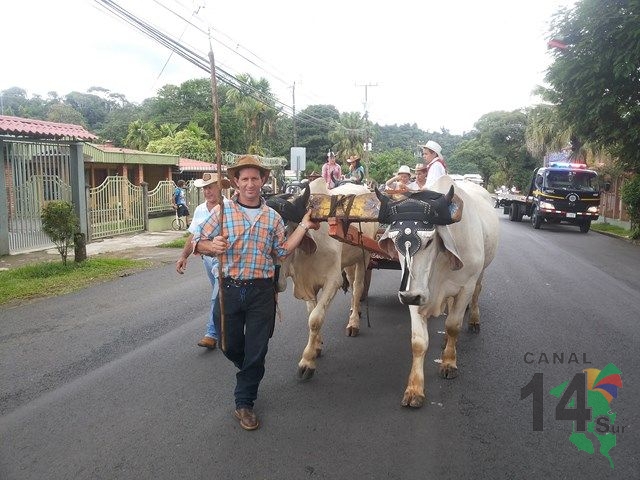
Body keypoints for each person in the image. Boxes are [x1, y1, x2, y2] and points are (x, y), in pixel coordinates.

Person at [192, 155, 319, 431]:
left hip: (262, 290)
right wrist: (211, 246)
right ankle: (248, 369)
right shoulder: (222, 212)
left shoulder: (272, 217)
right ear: (236, 182)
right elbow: (196, 244)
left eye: (255, 178)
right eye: (244, 179)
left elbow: (282, 251)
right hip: (229, 289)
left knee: (257, 350)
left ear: (263, 181)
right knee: (229, 345)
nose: (250, 184)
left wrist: (306, 227)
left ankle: (244, 402)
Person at [176, 172, 230, 350]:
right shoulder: (200, 209)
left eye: (210, 187)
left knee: (217, 295)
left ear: (220, 187)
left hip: (224, 259)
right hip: (207, 259)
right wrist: (184, 256)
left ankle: (211, 334)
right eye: (205, 188)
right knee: (221, 295)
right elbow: (194, 235)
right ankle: (227, 327)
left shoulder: (229, 207)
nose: (207, 191)